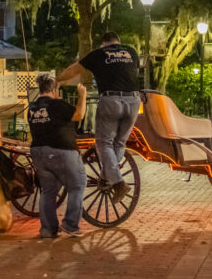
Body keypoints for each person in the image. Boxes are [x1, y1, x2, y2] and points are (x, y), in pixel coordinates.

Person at [57, 31, 140, 203]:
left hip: (111, 101)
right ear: (118, 41)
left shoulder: (98, 54)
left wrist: (57, 80)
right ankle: (107, 177)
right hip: (133, 101)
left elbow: (74, 70)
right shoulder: (131, 52)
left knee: (103, 143)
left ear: (103, 44)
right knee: (119, 143)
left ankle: (118, 183)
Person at [27, 74, 87, 238]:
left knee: (48, 190)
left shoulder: (32, 108)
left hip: (38, 152)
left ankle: (48, 229)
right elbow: (79, 115)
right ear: (54, 89)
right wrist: (82, 96)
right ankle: (70, 224)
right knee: (77, 185)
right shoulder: (57, 105)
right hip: (61, 150)